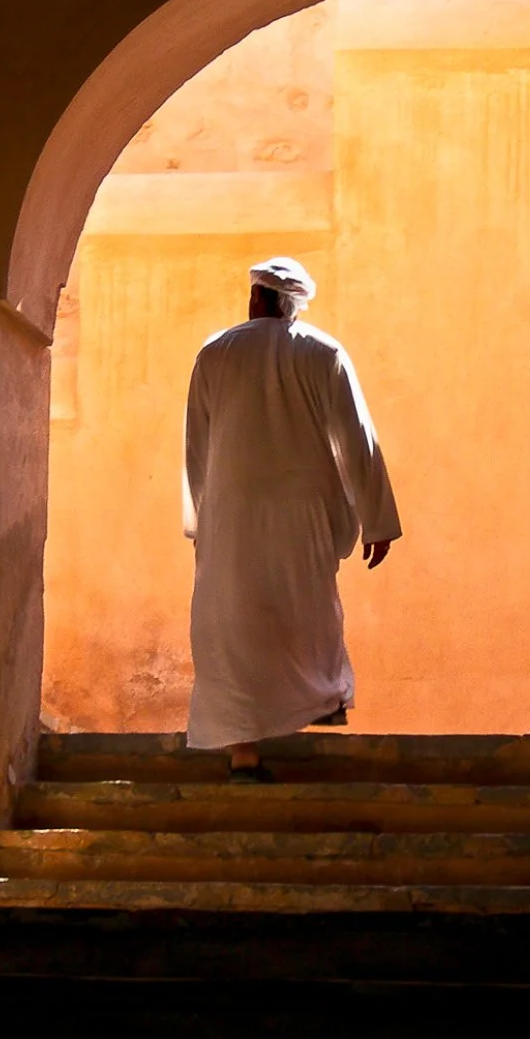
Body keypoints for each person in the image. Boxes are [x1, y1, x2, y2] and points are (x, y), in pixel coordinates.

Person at [182, 256, 401, 782]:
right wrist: (377, 520)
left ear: (258, 298)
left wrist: (199, 519)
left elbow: (197, 444)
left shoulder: (216, 353)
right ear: (293, 304)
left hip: (232, 515)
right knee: (305, 611)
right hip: (303, 515)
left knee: (236, 625)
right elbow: (357, 437)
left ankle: (243, 751)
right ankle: (318, 701)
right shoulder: (323, 352)